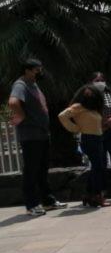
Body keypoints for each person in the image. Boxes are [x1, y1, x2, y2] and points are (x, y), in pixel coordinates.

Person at [8, 58, 65, 216]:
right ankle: (31, 205)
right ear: (27, 70)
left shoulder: (33, 83)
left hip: (41, 134)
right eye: (37, 70)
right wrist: (21, 115)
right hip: (31, 135)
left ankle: (48, 201)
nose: (40, 72)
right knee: (31, 170)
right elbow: (13, 102)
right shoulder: (20, 85)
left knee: (42, 169)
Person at [59, 84, 108, 207]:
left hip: (97, 138)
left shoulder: (93, 108)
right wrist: (75, 128)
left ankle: (89, 195)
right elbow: (62, 116)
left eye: (91, 93)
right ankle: (96, 196)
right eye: (87, 93)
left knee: (97, 167)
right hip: (89, 139)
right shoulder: (78, 107)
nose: (89, 95)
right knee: (98, 167)